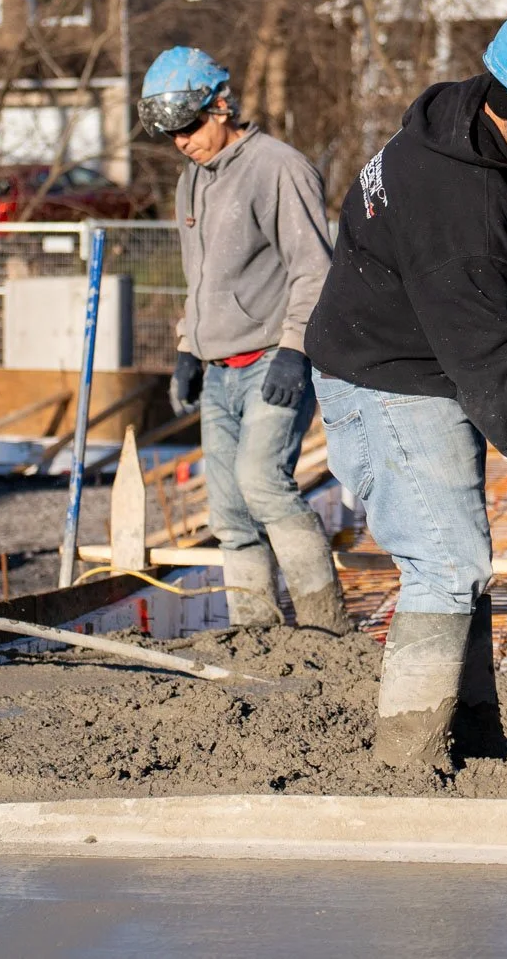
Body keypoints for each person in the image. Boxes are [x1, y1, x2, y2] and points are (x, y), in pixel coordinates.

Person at [303, 4, 507, 770]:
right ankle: (405, 760)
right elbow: (489, 354)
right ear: (501, 93)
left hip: (418, 360)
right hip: (389, 376)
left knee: (459, 553)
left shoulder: (474, 134)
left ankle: (473, 738)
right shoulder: (456, 199)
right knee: (445, 560)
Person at [146, 47, 352, 635]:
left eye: (188, 127)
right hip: (219, 371)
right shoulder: (192, 181)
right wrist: (187, 347)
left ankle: (326, 628)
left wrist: (296, 349)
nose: (182, 142)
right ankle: (256, 637)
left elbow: (315, 268)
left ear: (220, 105)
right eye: (171, 133)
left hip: (272, 361)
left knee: (263, 484)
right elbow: (199, 276)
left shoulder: (278, 167)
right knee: (229, 513)